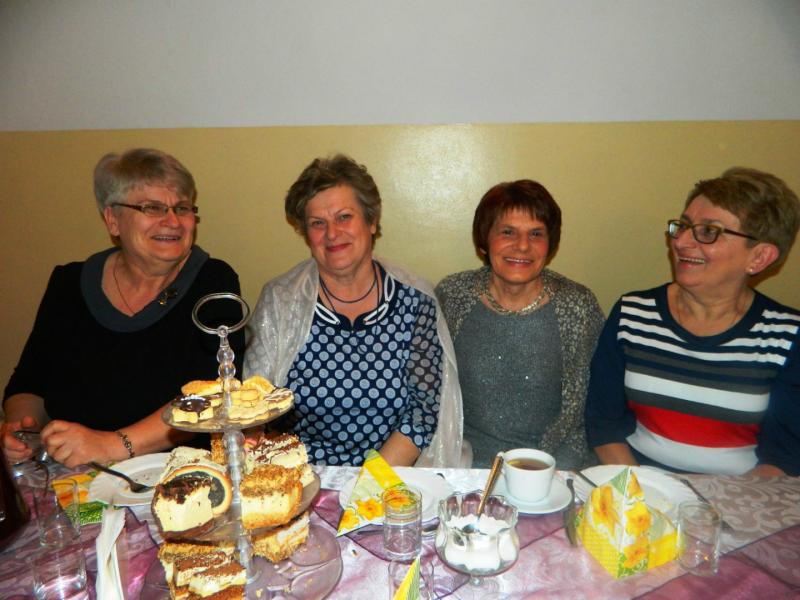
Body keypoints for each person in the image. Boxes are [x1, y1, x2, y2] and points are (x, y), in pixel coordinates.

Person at [2, 148, 244, 468]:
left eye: (182, 208)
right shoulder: (68, 283)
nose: (173, 221)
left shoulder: (213, 281)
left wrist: (111, 445)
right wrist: (22, 431)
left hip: (172, 473)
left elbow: (215, 394)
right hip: (71, 473)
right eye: (152, 207)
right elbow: (30, 383)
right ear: (113, 220)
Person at [244, 154, 465, 467]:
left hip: (390, 475)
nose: (332, 233)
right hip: (300, 474)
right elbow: (254, 408)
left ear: (371, 222)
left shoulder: (416, 301)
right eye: (317, 223)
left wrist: (368, 484)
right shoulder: (280, 301)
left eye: (344, 217)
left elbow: (423, 412)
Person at [586, 167, 800, 476]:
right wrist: (640, 492)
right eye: (684, 226)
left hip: (739, 494)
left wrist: (715, 504)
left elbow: (784, 456)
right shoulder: (633, 313)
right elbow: (604, 425)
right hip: (638, 483)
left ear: (759, 257)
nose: (681, 241)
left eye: (709, 231)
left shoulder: (786, 336)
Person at [436, 180, 604, 469]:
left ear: (550, 243)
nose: (523, 245)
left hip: (552, 465)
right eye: (508, 232)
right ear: (484, 239)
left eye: (536, 234)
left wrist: (549, 471)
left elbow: (592, 408)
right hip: (463, 464)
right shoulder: (452, 296)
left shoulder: (578, 306)